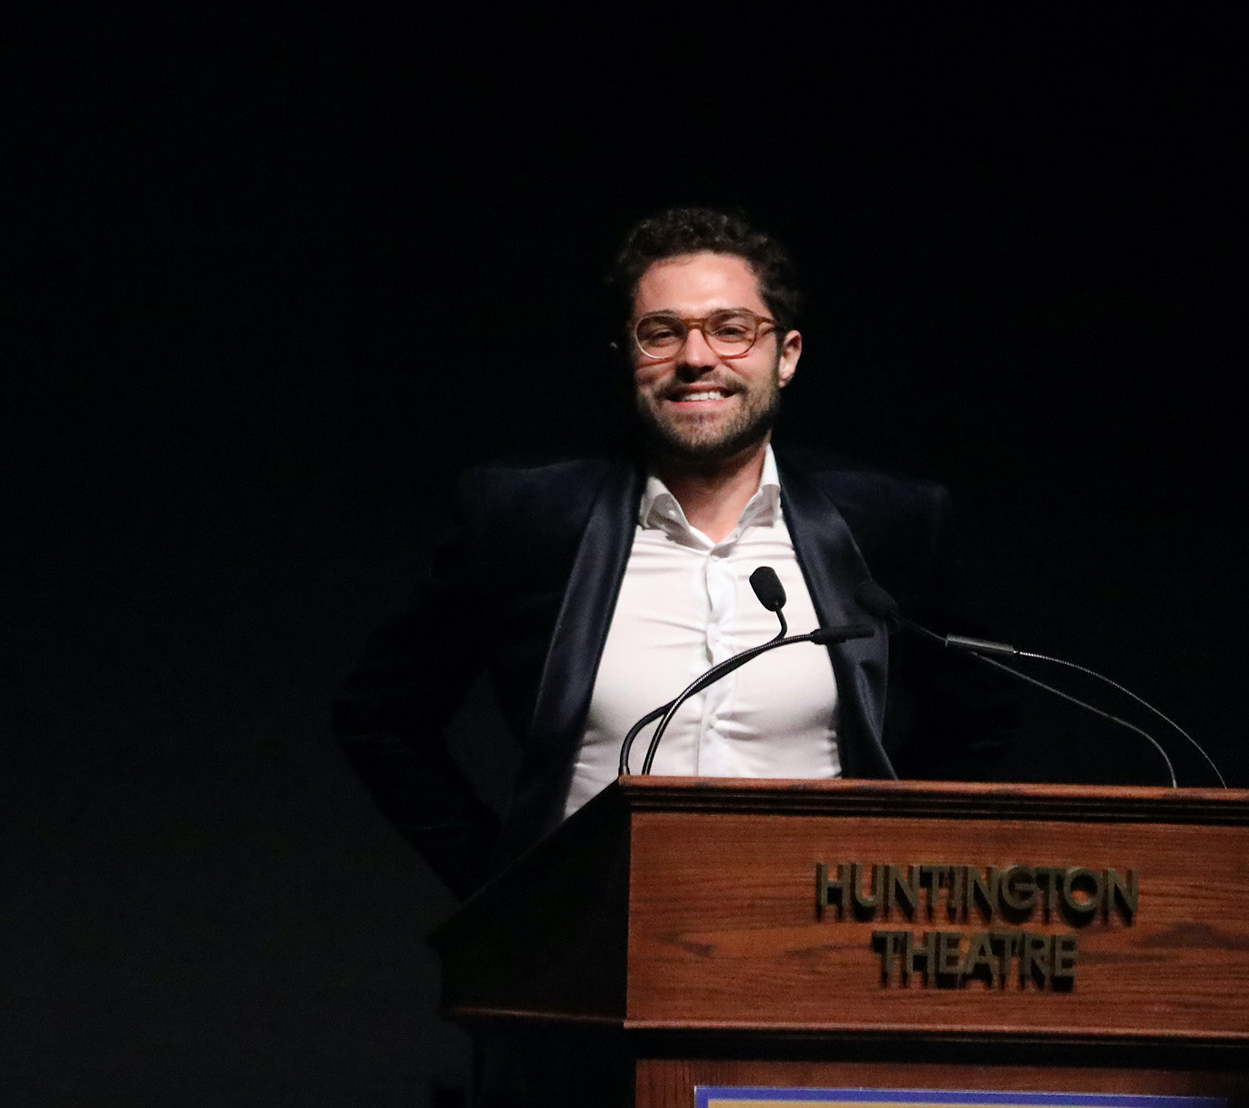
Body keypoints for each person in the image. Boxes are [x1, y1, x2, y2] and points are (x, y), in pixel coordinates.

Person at [335, 207, 1015, 901]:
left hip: (817, 957)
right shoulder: (524, 519)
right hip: (586, 965)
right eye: (661, 333)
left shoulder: (889, 520)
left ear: (786, 355)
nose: (696, 358)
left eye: (731, 329)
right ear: (625, 356)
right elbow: (381, 714)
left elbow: (981, 711)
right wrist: (504, 891)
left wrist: (893, 861)